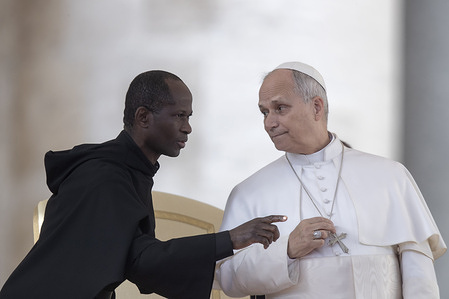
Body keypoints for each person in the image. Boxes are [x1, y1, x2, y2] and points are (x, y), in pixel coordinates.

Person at [0, 70, 287, 299]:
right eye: (179, 116)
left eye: (189, 117)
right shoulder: (104, 176)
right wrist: (230, 239)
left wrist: (240, 275)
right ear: (143, 117)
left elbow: (140, 264)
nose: (187, 127)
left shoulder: (129, 171)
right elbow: (143, 259)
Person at [214, 62, 447, 298]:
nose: (269, 123)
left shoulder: (390, 175)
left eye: (280, 108)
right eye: (264, 112)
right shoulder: (249, 192)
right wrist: (287, 250)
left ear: (316, 107)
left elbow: (420, 276)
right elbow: (229, 279)